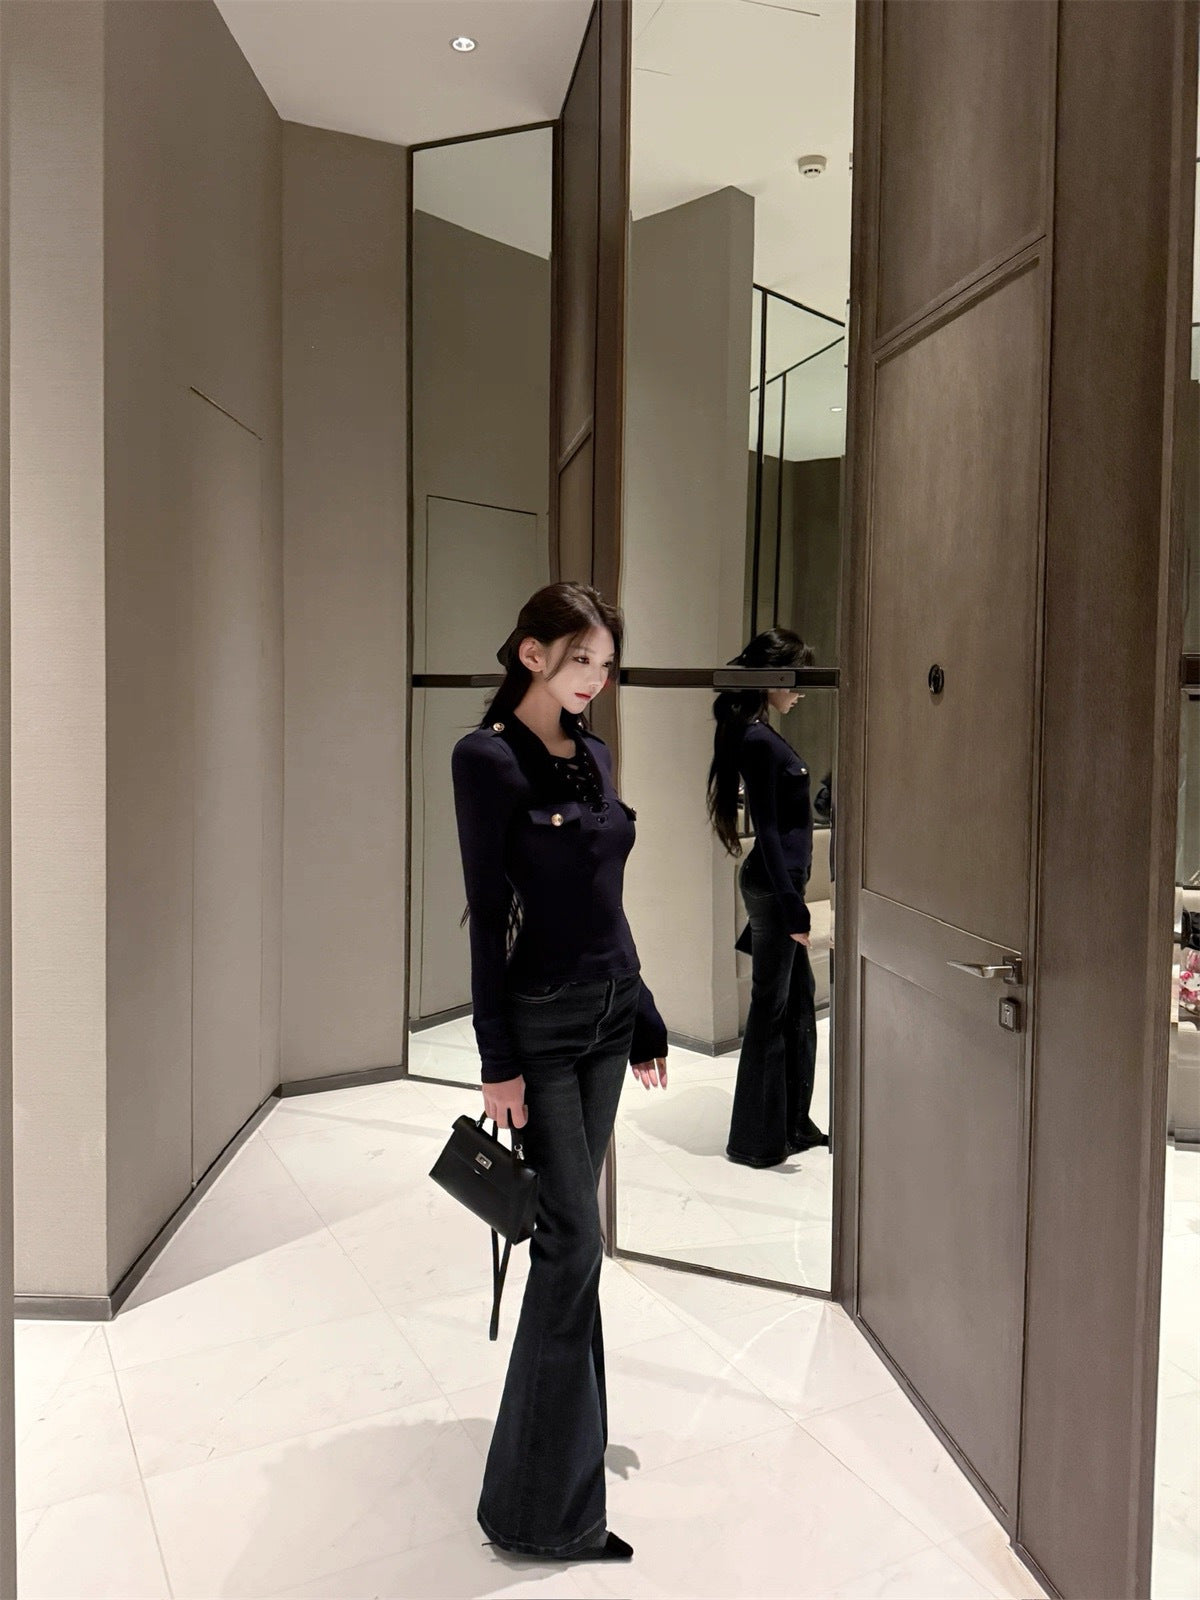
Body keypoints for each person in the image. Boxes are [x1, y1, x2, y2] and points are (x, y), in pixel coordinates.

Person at [451, 581, 668, 1564]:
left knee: (574, 1243)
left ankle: (560, 1472)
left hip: (611, 1013)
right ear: (532, 653)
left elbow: (604, 897)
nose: (596, 679)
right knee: (572, 1243)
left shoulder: (596, 755)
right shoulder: (487, 759)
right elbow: (484, 915)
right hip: (540, 1026)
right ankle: (537, 1510)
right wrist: (496, 1058)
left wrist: (645, 1008)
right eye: (582, 659)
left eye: (606, 665)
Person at [707, 627, 827, 1167]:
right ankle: (756, 1141)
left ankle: (792, 1124)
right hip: (776, 886)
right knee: (771, 1011)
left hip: (780, 885)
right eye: (794, 677)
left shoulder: (759, 733)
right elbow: (771, 831)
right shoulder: (756, 739)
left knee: (797, 1003)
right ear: (772, 676)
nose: (799, 690)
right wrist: (791, 903)